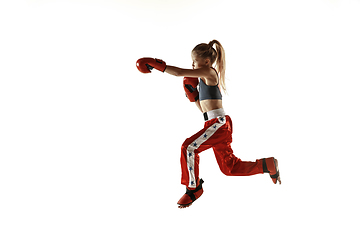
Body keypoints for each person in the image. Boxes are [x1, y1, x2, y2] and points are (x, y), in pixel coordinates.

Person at [136, 40, 281, 209]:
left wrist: (158, 65)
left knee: (188, 147)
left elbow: (179, 72)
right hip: (214, 124)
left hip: (218, 124)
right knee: (229, 168)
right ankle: (267, 165)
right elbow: (204, 111)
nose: (192, 65)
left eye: (194, 61)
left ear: (205, 62)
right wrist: (193, 96)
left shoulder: (209, 72)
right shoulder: (205, 76)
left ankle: (193, 188)